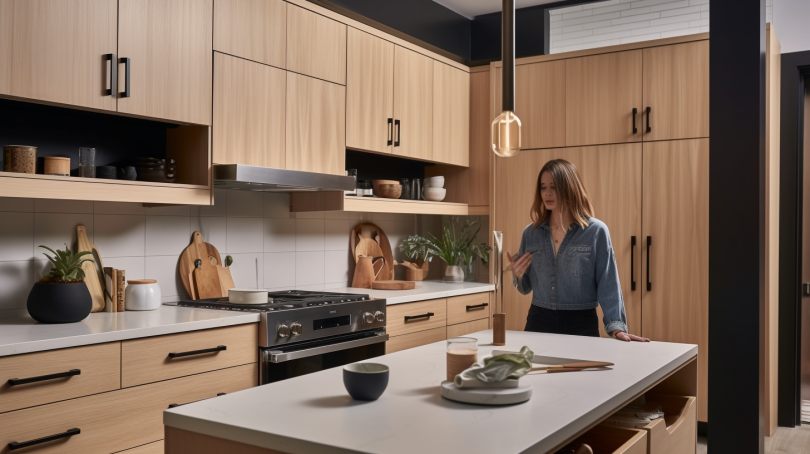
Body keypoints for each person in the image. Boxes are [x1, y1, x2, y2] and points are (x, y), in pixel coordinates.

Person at [507, 159, 649, 342]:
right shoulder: (531, 233)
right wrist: (518, 276)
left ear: (569, 188)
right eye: (543, 187)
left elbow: (608, 282)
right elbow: (525, 287)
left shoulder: (596, 231)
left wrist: (616, 327)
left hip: (580, 325)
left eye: (554, 187)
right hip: (538, 322)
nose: (547, 193)